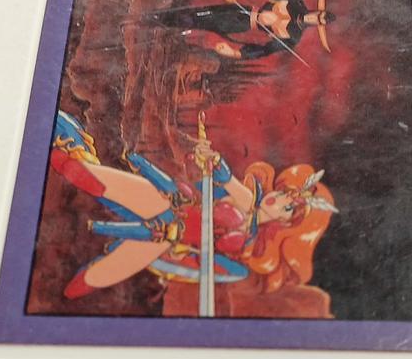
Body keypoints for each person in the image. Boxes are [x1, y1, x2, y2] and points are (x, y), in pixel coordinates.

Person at [47, 111, 338, 301]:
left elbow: (198, 265)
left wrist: (179, 249)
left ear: (285, 224)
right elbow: (226, 183)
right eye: (286, 193)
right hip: (167, 203)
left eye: (289, 208)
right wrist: (211, 162)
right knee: (84, 174)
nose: (281, 200)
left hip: (162, 237)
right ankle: (70, 145)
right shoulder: (248, 198)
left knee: (88, 282)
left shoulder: (247, 251)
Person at [151, 0, 335, 60]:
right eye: (318, 14)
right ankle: (154, 18)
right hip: (241, 9)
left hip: (240, 26)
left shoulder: (293, 38)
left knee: (197, 24)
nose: (314, 18)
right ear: (317, 9)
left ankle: (155, 25)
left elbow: (264, 50)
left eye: (319, 20)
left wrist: (234, 53)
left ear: (319, 26)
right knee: (196, 13)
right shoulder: (294, 1)